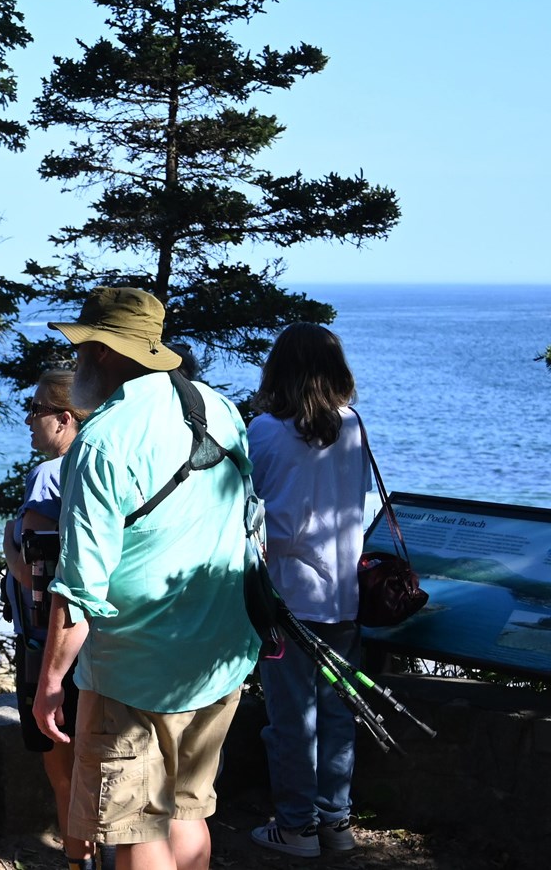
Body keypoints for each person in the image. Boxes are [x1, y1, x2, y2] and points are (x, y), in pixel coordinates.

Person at [35, 287, 257, 870]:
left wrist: (51, 680)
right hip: (218, 652)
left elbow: (81, 584)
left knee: (135, 831)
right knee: (188, 814)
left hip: (135, 667)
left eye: (84, 349)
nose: (79, 362)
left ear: (103, 353)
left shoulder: (104, 439)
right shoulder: (217, 408)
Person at [246, 324, 370, 858]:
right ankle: (335, 823)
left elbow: (246, 508)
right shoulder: (353, 425)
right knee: (338, 713)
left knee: (293, 717)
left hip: (286, 598)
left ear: (280, 369)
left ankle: (296, 827)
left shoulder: (265, 431)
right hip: (344, 592)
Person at [0, 369, 96, 870]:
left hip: (46, 642)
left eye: (35, 410)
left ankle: (77, 859)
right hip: (97, 640)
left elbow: (39, 578)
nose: (29, 421)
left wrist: (6, 546)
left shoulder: (48, 475)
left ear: (64, 418)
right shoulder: (99, 464)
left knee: (64, 772)